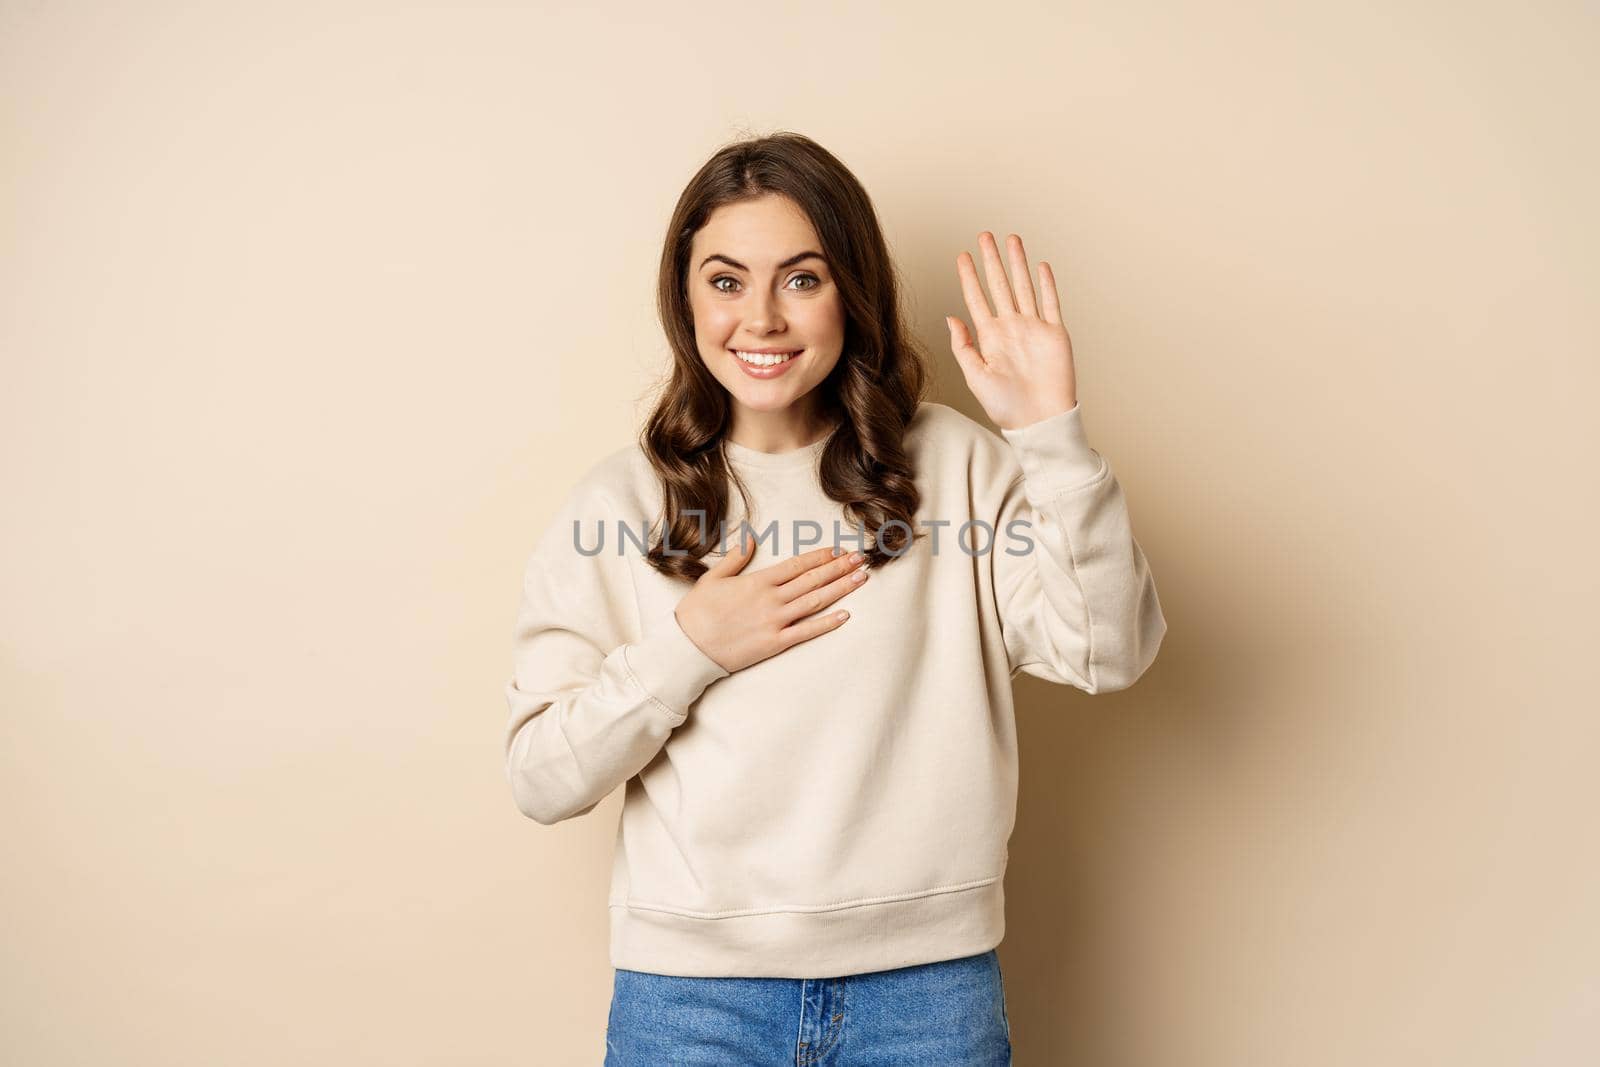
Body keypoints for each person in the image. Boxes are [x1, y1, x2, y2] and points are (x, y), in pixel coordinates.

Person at [502, 131, 1167, 1065]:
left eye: (802, 278)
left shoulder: (958, 465)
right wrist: (688, 649)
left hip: (928, 994)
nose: (762, 319)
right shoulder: (620, 504)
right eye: (726, 281)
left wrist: (1050, 435)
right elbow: (541, 775)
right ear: (684, 295)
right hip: (691, 1005)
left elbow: (1110, 651)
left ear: (852, 291)